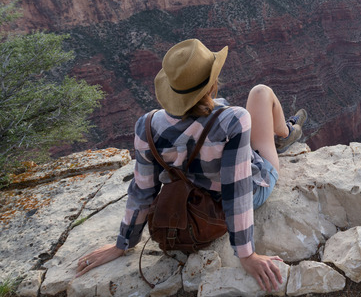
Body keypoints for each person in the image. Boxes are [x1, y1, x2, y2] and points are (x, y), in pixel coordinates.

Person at [73, 39, 306, 292]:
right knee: (261, 92)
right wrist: (247, 255)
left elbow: (142, 190)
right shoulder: (234, 119)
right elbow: (236, 191)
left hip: (187, 197)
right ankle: (285, 133)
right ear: (212, 83)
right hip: (235, 197)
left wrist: (122, 244)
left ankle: (284, 132)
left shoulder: (147, 125)